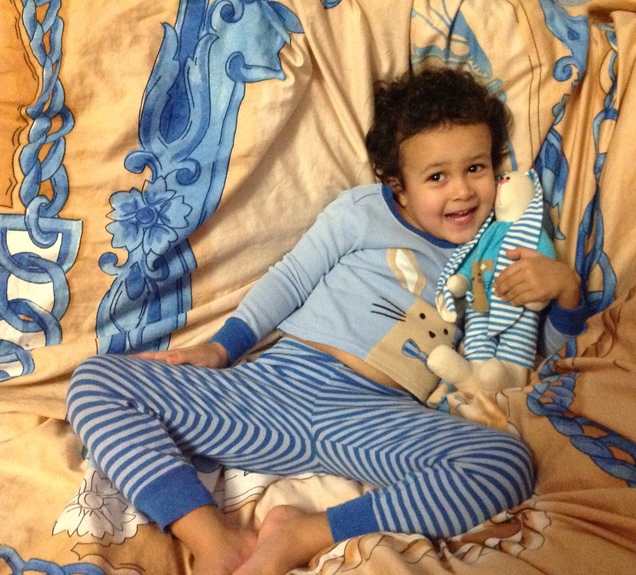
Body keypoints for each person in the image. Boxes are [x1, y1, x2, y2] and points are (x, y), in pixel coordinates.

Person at [66, 67, 585, 575]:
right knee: (94, 381)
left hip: (372, 415)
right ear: (398, 185)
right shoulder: (361, 212)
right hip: (275, 386)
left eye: (476, 168)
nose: (462, 192)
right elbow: (290, 279)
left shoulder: (498, 248)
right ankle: (212, 539)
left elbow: (529, 346)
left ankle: (300, 534)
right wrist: (221, 349)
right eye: (436, 177)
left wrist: (564, 290)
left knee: (504, 464)